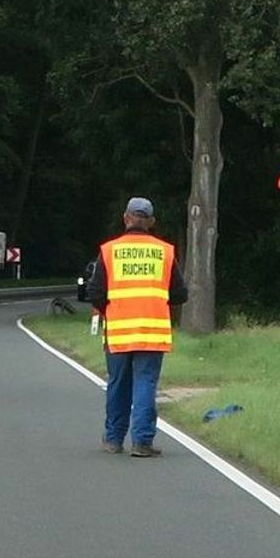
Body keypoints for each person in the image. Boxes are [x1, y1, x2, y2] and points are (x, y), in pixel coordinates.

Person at [88, 196, 188, 457]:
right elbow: (180, 293)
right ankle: (142, 443)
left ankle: (113, 440)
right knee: (145, 384)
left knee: (118, 383)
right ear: (151, 222)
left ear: (126, 218)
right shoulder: (165, 251)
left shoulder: (109, 250)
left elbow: (96, 293)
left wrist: (111, 308)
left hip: (119, 332)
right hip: (152, 332)